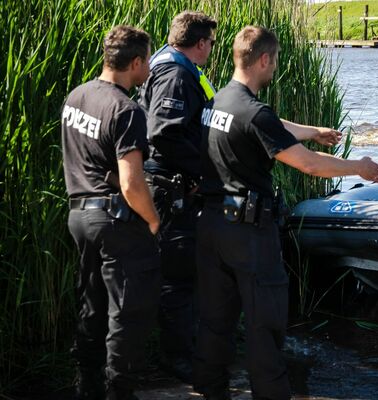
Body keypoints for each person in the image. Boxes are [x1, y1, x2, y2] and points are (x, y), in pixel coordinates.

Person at [193, 26, 378, 400]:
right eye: (275, 61)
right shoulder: (254, 112)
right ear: (264, 59)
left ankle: (209, 390)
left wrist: (312, 130)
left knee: (215, 321)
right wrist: (359, 167)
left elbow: (269, 127)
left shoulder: (217, 103)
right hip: (249, 235)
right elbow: (309, 166)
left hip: (212, 227)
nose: (275, 68)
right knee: (264, 325)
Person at [62, 25, 160, 400]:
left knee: (92, 302)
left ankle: (86, 385)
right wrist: (152, 219)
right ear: (134, 62)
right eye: (147, 60)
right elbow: (131, 183)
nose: (149, 68)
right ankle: (119, 390)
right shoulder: (126, 109)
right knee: (128, 312)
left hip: (79, 215)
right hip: (114, 220)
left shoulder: (77, 95)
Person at [137, 10, 217, 382]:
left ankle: (186, 348)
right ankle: (177, 359)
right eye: (211, 43)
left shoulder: (173, 66)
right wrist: (199, 172)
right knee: (178, 277)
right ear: (200, 43)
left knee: (182, 274)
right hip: (171, 188)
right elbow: (164, 133)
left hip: (175, 184)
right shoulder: (175, 73)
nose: (211, 50)